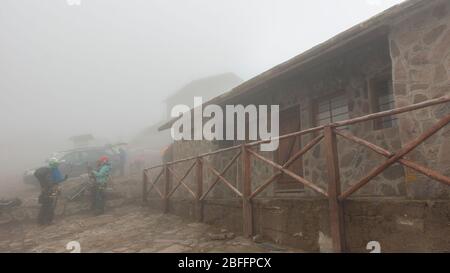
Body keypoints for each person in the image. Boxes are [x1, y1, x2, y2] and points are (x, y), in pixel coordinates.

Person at [34, 157, 67, 225]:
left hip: (45, 191)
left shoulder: (48, 170)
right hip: (50, 191)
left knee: (45, 205)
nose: (58, 165)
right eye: (57, 164)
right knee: (50, 205)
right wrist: (54, 188)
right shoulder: (51, 171)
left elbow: (51, 181)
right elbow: (51, 182)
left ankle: (40, 221)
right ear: (54, 164)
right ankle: (48, 220)